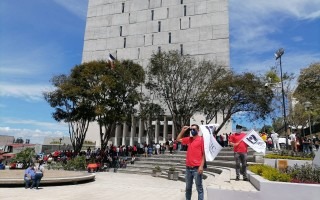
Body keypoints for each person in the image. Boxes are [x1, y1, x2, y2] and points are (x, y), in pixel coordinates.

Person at [177, 124, 205, 200]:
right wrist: (182, 131)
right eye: (191, 129)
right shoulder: (189, 139)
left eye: (194, 129)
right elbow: (178, 139)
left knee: (199, 188)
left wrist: (201, 166)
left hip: (197, 168)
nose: (192, 131)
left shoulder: (201, 140)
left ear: (198, 130)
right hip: (188, 168)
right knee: (188, 188)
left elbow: (203, 154)